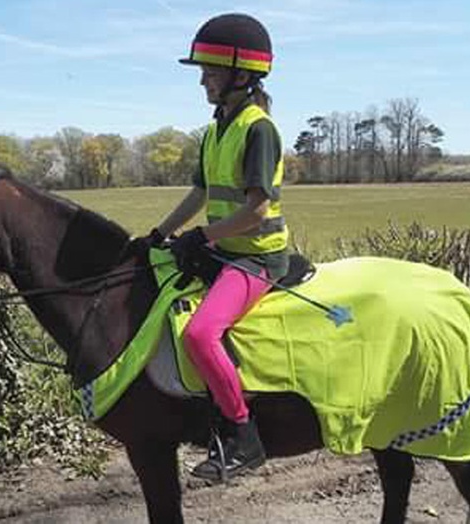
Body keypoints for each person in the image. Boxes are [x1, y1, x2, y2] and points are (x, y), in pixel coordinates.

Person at [146, 13, 289, 482]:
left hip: (257, 257)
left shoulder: (258, 129)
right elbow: (199, 194)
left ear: (241, 75)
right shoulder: (213, 131)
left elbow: (255, 211)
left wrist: (202, 237)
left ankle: (245, 440)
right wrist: (157, 236)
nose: (203, 80)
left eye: (210, 71)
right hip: (223, 251)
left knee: (199, 333)